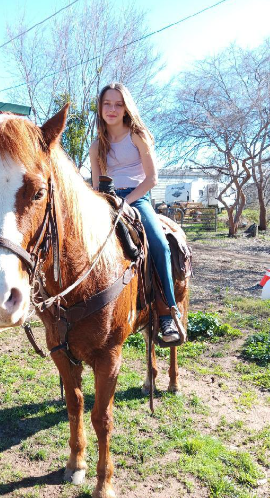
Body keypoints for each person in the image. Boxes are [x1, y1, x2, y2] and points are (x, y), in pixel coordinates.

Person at [89, 82, 181, 346]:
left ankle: (167, 313)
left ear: (126, 108)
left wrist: (126, 202)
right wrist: (105, 203)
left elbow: (152, 179)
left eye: (118, 104)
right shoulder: (97, 145)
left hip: (137, 198)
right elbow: (96, 185)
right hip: (106, 199)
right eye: (107, 103)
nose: (112, 109)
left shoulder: (137, 136)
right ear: (100, 106)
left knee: (160, 245)